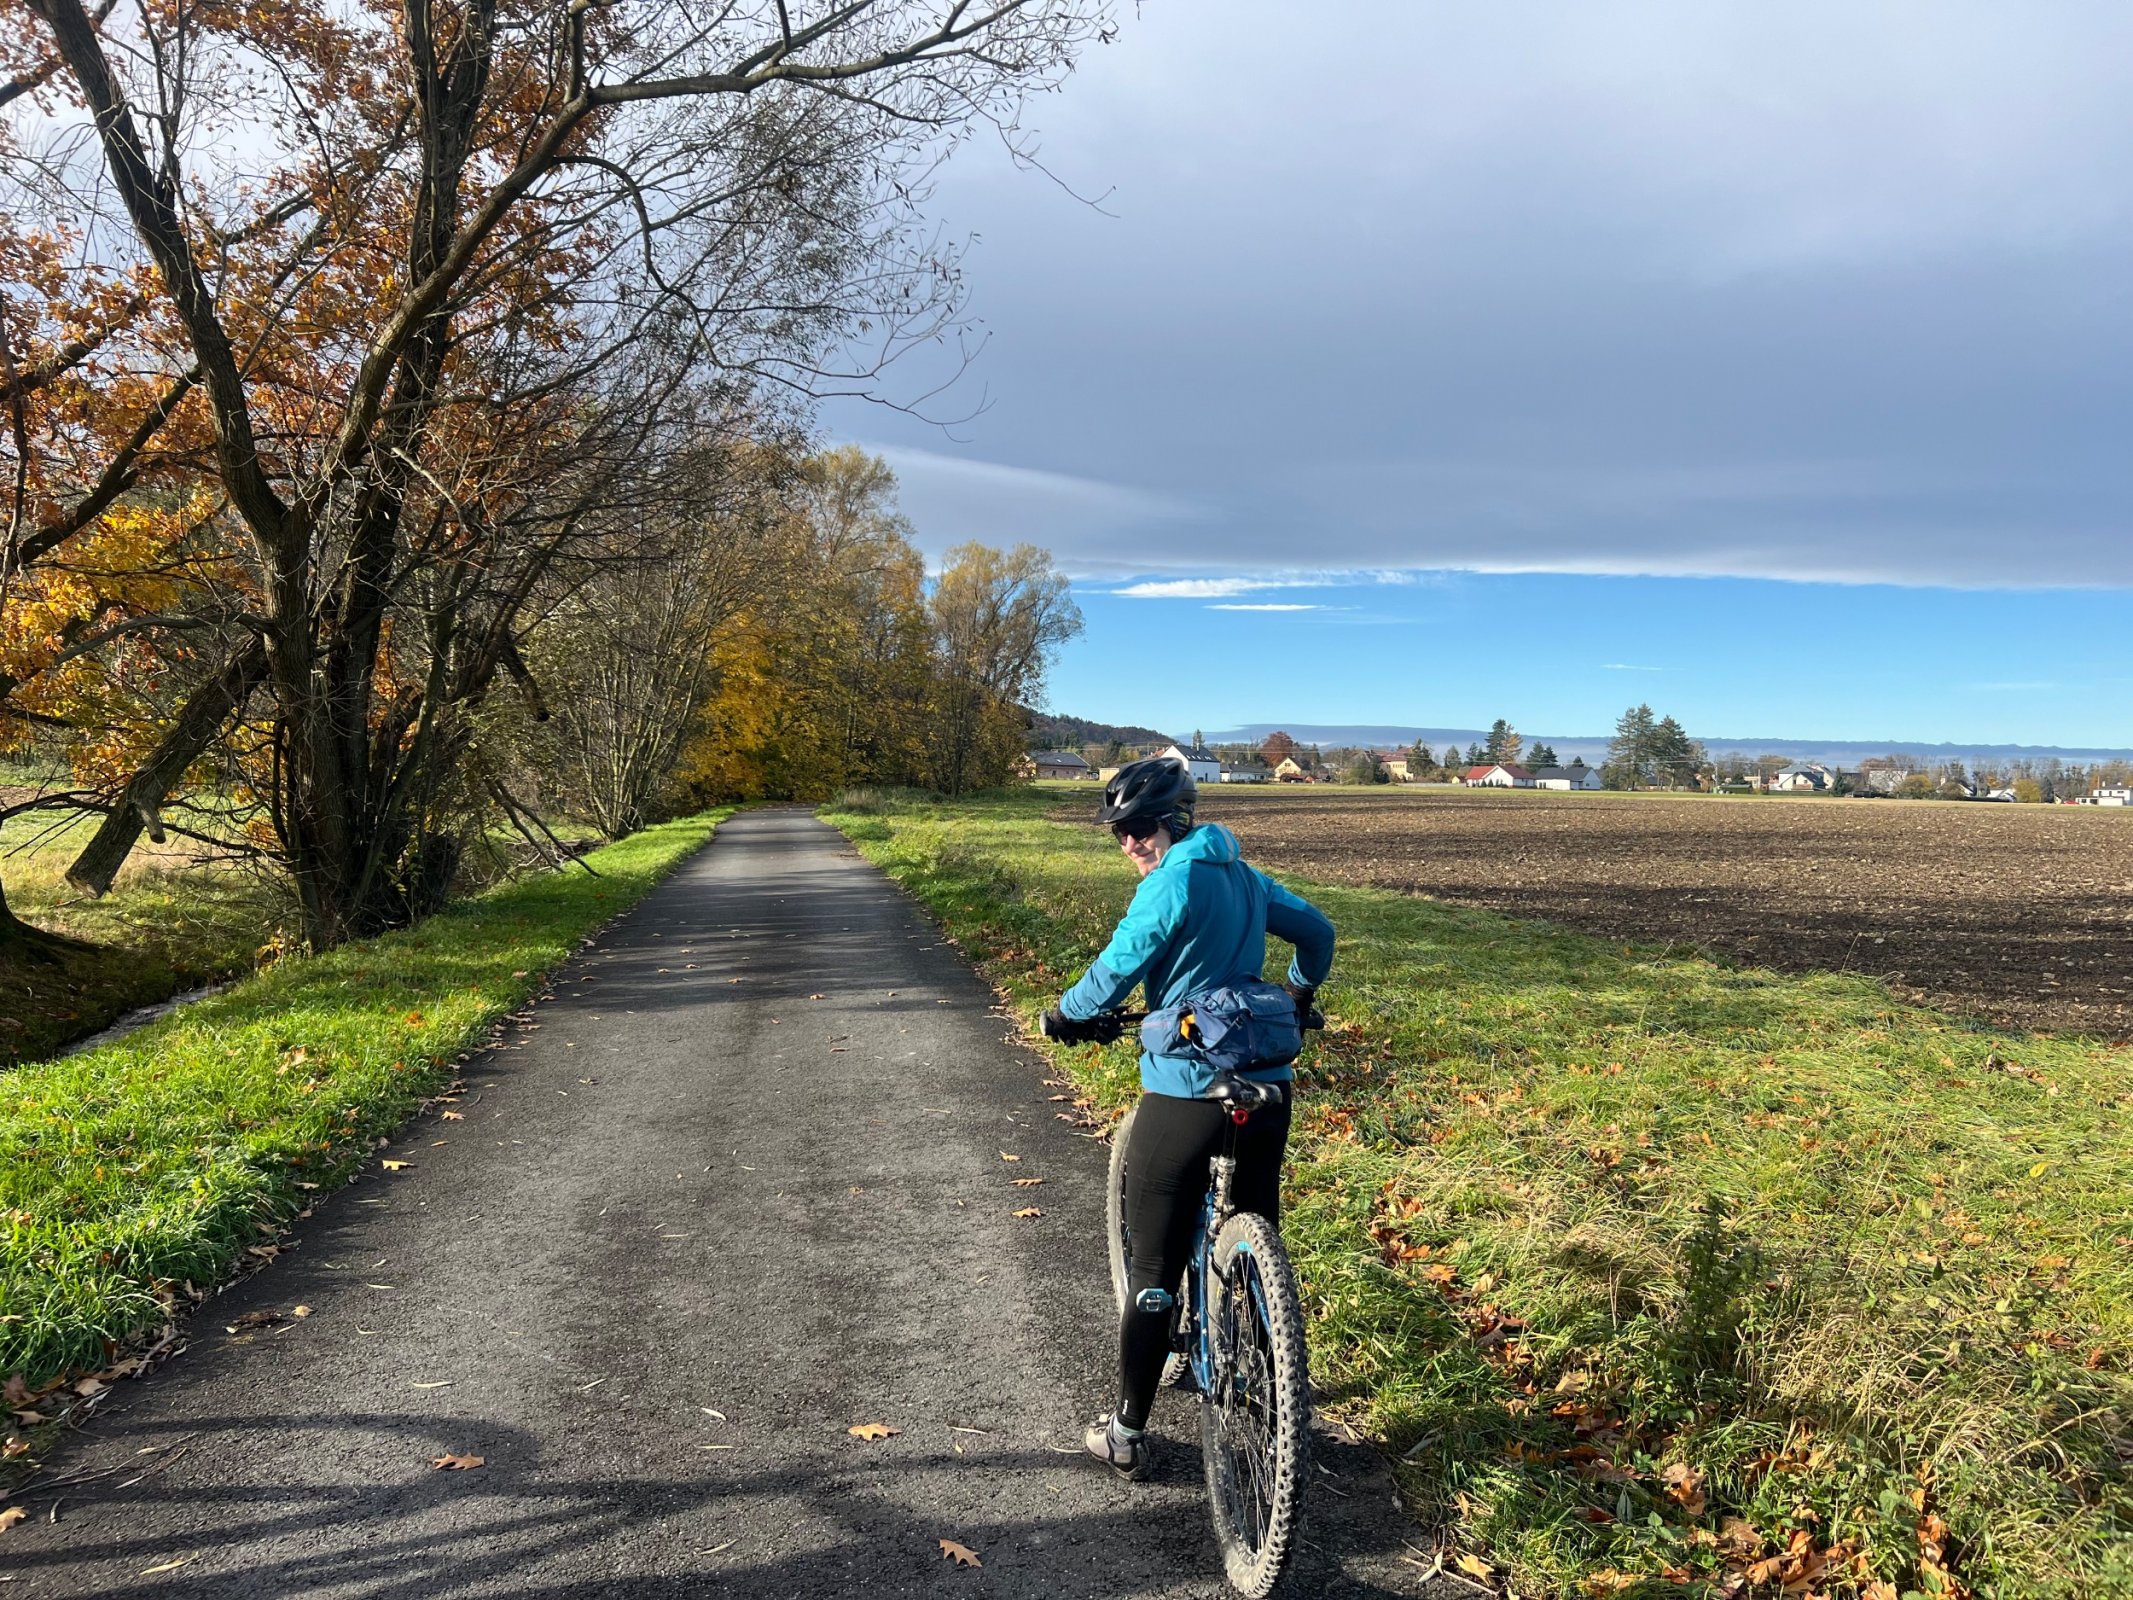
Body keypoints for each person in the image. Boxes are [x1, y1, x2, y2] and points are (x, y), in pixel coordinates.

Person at [1043, 755, 1335, 1479]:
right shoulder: (1241, 874)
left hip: (1185, 1094)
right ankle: (1276, 1394)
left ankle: (1126, 1430)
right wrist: (1296, 997)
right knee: (1257, 1230)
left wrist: (1067, 1015)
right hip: (1266, 1089)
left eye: (1140, 828)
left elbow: (1117, 969)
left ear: (1174, 822)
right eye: (1119, 833)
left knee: (1153, 1268)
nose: (1130, 844)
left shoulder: (1169, 884)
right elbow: (1317, 934)